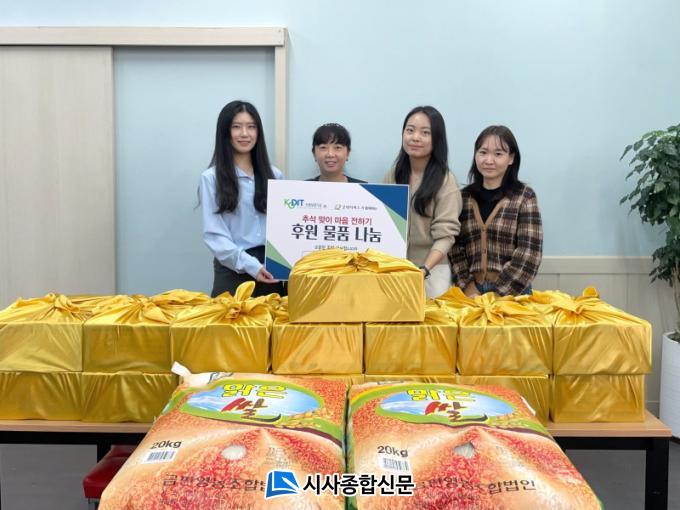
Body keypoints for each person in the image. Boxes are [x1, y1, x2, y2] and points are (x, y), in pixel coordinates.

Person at [199, 100, 286, 298]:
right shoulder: (211, 178)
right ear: (225, 132)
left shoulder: (275, 175)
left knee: (273, 318)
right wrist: (251, 265)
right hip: (232, 272)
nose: (245, 133)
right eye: (236, 127)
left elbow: (284, 227)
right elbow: (214, 235)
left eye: (251, 127)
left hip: (271, 270)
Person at [449, 125, 543, 297]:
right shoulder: (464, 197)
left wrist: (500, 295)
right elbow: (455, 248)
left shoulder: (525, 197)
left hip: (514, 294)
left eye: (498, 154)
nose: (489, 160)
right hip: (471, 294)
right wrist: (468, 287)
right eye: (483, 152)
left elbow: (529, 254)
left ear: (511, 158)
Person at [384, 106, 462, 298]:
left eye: (425, 133)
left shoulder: (446, 181)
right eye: (410, 130)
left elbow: (446, 235)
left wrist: (424, 269)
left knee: (429, 317)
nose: (415, 137)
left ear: (437, 139)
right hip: (396, 270)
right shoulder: (393, 175)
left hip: (432, 272)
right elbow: (384, 224)